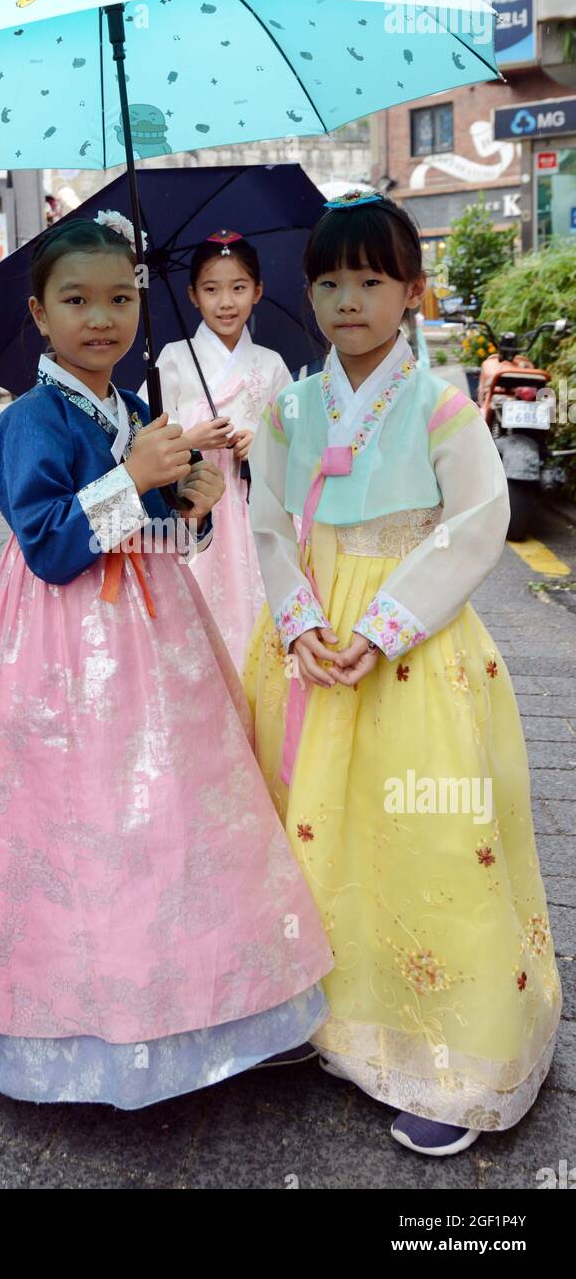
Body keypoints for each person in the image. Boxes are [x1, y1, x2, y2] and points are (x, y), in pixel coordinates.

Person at [0, 210, 334, 1110]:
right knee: (81, 819)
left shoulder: (135, 406)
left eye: (118, 299)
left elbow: (163, 542)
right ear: (39, 312)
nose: (100, 318)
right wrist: (131, 476)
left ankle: (205, 1000)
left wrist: (194, 502)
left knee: (178, 812)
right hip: (61, 649)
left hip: (160, 637)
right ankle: (64, 1016)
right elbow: (52, 547)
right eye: (76, 300)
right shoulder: (27, 422)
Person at [242, 189, 561, 1156]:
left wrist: (382, 627)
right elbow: (266, 524)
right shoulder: (290, 410)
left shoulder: (442, 407)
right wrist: (299, 622)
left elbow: (476, 528)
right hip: (310, 647)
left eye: (371, 280)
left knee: (425, 835)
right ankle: (321, 1013)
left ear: (412, 292)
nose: (348, 299)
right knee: (313, 828)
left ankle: (454, 1060)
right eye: (329, 281)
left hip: (412, 650)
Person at [138, 231, 292, 670]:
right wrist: (191, 440)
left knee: (260, 614)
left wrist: (261, 444)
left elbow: (295, 444)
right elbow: (143, 440)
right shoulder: (172, 359)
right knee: (195, 625)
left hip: (252, 505)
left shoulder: (272, 364)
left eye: (239, 287)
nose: (226, 301)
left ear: (258, 292)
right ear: (192, 295)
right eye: (211, 289)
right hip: (192, 505)